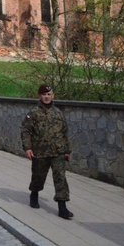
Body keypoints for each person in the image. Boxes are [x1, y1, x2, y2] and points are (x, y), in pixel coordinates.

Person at [21, 84, 74, 220]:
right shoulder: (33, 113)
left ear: (53, 96)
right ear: (39, 96)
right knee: (38, 176)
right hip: (40, 152)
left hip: (58, 152)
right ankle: (34, 194)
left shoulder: (58, 113)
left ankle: (62, 207)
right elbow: (26, 131)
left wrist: (67, 150)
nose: (46, 97)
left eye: (49, 94)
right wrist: (28, 148)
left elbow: (65, 132)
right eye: (44, 94)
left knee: (60, 178)